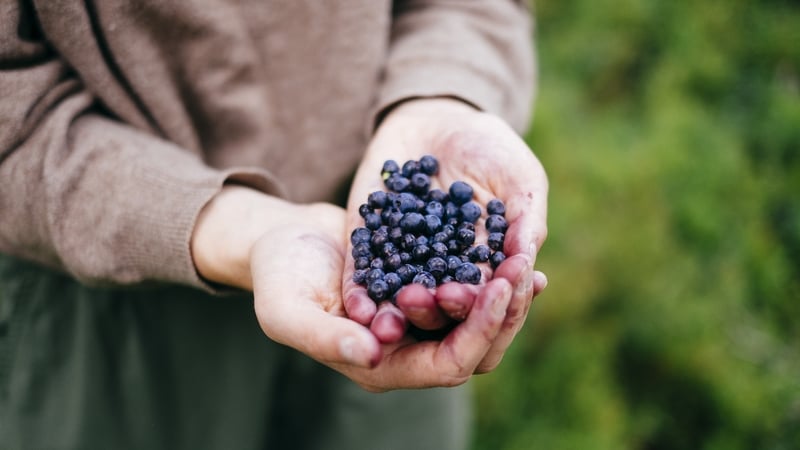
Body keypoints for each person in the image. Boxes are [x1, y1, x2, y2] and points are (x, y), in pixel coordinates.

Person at [0, 1, 548, 449]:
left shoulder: (403, 258)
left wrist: (442, 96)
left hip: (379, 301)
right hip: (104, 300)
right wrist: (235, 225)